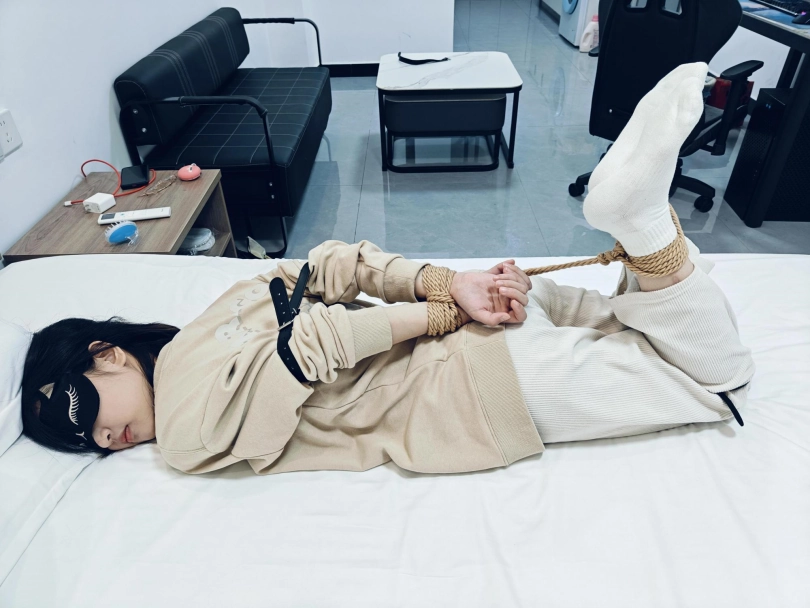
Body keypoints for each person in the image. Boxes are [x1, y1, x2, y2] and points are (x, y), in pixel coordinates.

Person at [21, 63, 754, 475]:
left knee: (714, 380)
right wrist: (449, 285)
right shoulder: (215, 319)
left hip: (465, 389)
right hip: (464, 335)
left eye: (84, 412)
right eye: (83, 442)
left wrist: (448, 302)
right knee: (644, 322)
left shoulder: (183, 433)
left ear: (106, 353)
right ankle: (647, 236)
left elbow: (315, 344)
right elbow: (330, 267)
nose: (104, 440)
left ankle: (643, 224)